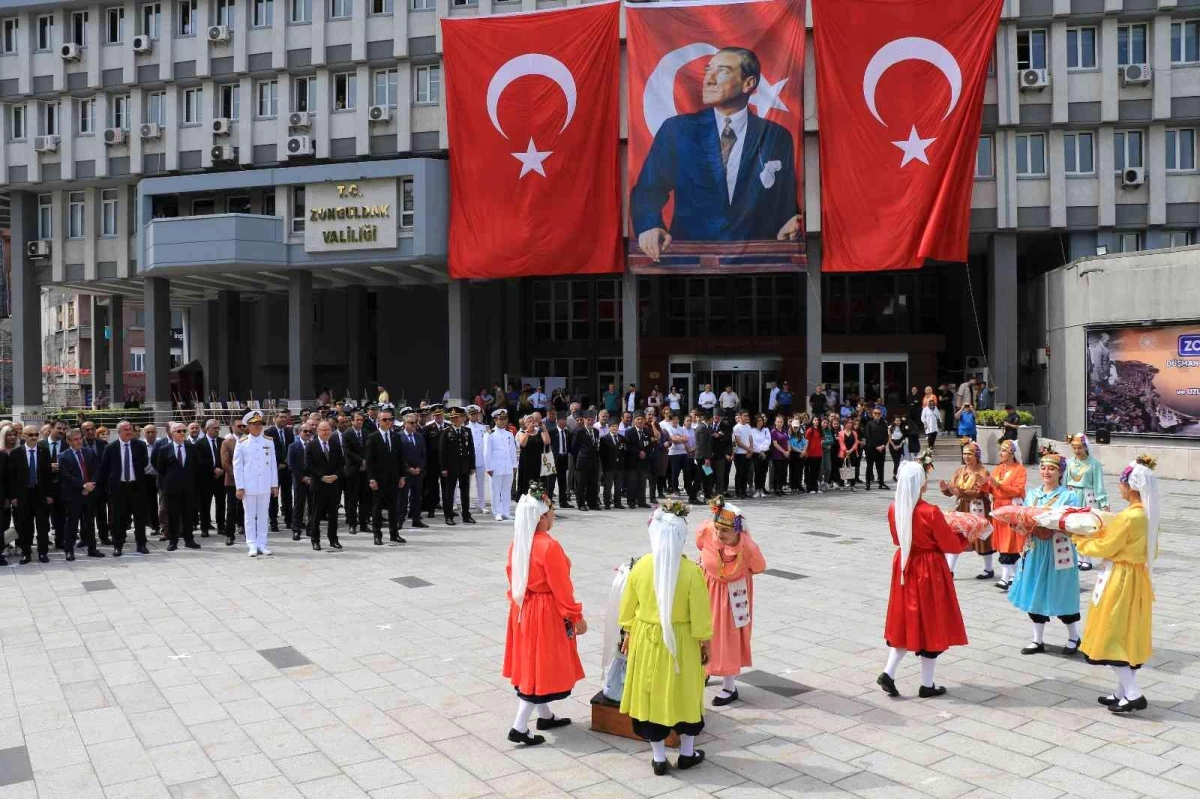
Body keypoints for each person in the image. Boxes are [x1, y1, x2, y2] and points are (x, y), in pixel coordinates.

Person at [631, 47, 800, 263]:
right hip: (690, 268)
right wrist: (649, 226)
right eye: (708, 70)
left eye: (722, 71)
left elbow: (784, 201)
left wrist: (789, 224)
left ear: (748, 83)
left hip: (757, 267)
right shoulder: (678, 130)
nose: (708, 80)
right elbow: (648, 191)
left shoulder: (776, 136)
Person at [619, 500, 713, 776]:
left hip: (647, 640)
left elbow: (627, 608)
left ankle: (659, 758)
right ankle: (686, 753)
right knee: (685, 693)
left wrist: (627, 631)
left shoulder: (642, 566)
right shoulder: (691, 572)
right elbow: (701, 616)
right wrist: (705, 643)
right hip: (681, 641)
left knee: (651, 693)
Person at [877, 461, 969, 699]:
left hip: (905, 564)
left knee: (905, 619)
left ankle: (889, 671)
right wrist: (965, 535)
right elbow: (948, 543)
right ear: (921, 485)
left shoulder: (893, 508)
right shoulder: (930, 511)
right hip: (929, 568)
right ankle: (926, 684)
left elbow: (897, 539)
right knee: (932, 620)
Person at [1075, 455, 1159, 714]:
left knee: (1111, 631)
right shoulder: (1146, 514)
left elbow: (1106, 546)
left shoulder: (1129, 518)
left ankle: (1133, 693)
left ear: (1130, 486)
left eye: (1121, 483)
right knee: (1127, 629)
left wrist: (1079, 539)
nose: (1119, 487)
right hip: (1137, 577)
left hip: (1120, 577)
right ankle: (1122, 692)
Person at [503, 484, 585, 746]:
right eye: (550, 512)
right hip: (544, 611)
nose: (553, 516)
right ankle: (519, 726)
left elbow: (511, 574)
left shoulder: (519, 542)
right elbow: (562, 588)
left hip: (523, 607)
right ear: (541, 517)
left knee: (532, 661)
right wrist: (575, 615)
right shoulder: (549, 547)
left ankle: (545, 715)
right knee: (540, 665)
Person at [1008, 448, 1084, 656]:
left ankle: (1073, 636)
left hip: (1058, 551)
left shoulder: (1068, 497)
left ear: (1060, 472)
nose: (1046, 472)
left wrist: (1051, 529)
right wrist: (1017, 524)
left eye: (1051, 468)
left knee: (1061, 592)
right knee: (1034, 591)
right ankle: (1037, 639)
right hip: (1034, 550)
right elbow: (1023, 518)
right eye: (1043, 468)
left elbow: (1072, 523)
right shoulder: (1033, 494)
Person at [696, 499, 765, 706]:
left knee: (727, 637)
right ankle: (704, 670)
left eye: (725, 530)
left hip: (733, 596)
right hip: (707, 588)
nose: (719, 534)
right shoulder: (706, 531)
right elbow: (700, 545)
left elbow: (759, 566)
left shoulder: (748, 546)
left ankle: (729, 686)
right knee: (703, 631)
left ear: (737, 530)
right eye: (717, 528)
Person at [939, 439, 993, 578]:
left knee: (981, 537)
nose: (966, 457)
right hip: (962, 506)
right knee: (956, 535)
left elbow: (979, 492)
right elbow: (953, 487)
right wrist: (947, 490)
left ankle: (988, 569)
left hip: (977, 506)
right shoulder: (959, 471)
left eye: (970, 454)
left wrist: (960, 492)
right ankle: (949, 569)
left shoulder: (982, 472)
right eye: (964, 454)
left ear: (977, 456)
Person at [97, 421, 150, 557]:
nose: (129, 431)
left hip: (136, 486)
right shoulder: (111, 448)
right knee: (118, 518)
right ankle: (118, 545)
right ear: (119, 432)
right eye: (126, 429)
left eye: (130, 429)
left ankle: (141, 544)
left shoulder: (140, 445)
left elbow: (144, 463)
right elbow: (105, 468)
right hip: (118, 488)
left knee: (139, 517)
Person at [234, 410, 280, 557]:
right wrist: (239, 487)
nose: (258, 427)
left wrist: (274, 485)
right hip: (249, 486)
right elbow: (238, 467)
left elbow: (273, 464)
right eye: (254, 424)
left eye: (260, 424)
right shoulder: (242, 443)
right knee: (249, 517)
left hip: (265, 485)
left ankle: (262, 543)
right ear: (248, 426)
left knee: (262, 516)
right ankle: (252, 544)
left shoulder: (268, 441)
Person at [154, 423, 202, 553]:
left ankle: (189, 540)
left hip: (188, 489)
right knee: (173, 516)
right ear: (172, 433)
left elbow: (197, 467)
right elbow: (160, 469)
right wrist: (167, 484)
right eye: (179, 431)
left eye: (184, 431)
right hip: (171, 489)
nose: (182, 433)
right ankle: (173, 541)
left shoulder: (192, 448)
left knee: (188, 515)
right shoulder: (165, 449)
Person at [987, 439, 1028, 590]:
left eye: (1004, 451)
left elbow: (1018, 490)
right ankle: (1013, 576)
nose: (1000, 453)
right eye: (1001, 450)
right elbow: (991, 488)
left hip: (1011, 507)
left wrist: (999, 485)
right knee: (1003, 540)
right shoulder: (998, 469)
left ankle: (1006, 577)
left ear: (1012, 454)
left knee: (1010, 541)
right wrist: (983, 483)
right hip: (998, 507)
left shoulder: (1020, 470)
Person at [59, 429, 104, 561]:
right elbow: (66, 476)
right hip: (73, 495)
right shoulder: (63, 456)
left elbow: (97, 469)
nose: (80, 441)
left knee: (89, 523)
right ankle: (69, 550)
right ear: (68, 441)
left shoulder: (89, 452)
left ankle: (92, 548)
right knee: (71, 524)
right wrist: (83, 486)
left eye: (80, 438)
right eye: (76, 439)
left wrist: (90, 485)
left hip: (89, 494)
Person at [1066, 433, 1108, 572]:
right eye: (1075, 448)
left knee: (1086, 527)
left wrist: (1103, 501)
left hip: (1086, 496)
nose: (1077, 451)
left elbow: (1098, 484)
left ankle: (1087, 558)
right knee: (1074, 527)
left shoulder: (1094, 464)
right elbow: (1065, 481)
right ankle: (1078, 556)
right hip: (1072, 495)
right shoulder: (1070, 462)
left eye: (1080, 447)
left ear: (1086, 447)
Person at [366, 406, 405, 545]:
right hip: (378, 479)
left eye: (390, 419)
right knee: (377, 507)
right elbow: (369, 461)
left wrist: (402, 476)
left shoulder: (396, 436)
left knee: (393, 507)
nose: (388, 422)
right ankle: (377, 534)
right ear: (379, 421)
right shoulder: (373, 437)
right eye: (385, 419)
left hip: (393, 478)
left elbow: (400, 458)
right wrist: (371, 479)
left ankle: (394, 534)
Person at [305, 420, 344, 551]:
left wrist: (336, 475)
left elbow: (341, 464)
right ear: (318, 431)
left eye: (328, 430)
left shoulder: (336, 444)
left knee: (333, 514)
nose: (326, 432)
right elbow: (309, 466)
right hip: (318, 486)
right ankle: (315, 540)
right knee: (316, 514)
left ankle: (333, 539)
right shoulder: (311, 445)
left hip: (333, 485)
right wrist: (321, 477)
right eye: (323, 430)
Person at [439, 408, 477, 526]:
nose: (454, 420)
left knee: (465, 491)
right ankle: (448, 516)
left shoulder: (467, 431)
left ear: (462, 418)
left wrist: (472, 465)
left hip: (464, 466)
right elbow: (442, 451)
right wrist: (443, 468)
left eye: (456, 417)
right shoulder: (446, 432)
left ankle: (466, 514)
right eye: (452, 418)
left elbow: (471, 449)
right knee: (449, 492)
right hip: (451, 467)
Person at [265, 410, 295, 533]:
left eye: (285, 417)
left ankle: (289, 520)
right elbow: (269, 451)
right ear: (275, 418)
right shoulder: (268, 432)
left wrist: (287, 462)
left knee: (287, 496)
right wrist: (278, 463)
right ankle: (273, 522)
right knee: (273, 496)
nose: (284, 419)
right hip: (275, 469)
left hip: (287, 469)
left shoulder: (289, 431)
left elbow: (291, 448)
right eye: (281, 417)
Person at [397, 413, 428, 531]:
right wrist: (408, 469)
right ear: (405, 424)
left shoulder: (419, 436)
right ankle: (400, 520)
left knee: (416, 497)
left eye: (415, 422)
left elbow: (423, 455)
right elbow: (398, 457)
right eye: (411, 423)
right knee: (403, 497)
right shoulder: (399, 437)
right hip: (405, 473)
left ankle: (416, 519)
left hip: (418, 472)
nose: (414, 425)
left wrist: (419, 467)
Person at [485, 410, 518, 521]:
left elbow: (512, 451)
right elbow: (487, 452)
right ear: (495, 419)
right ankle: (497, 512)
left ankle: (506, 512)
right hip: (496, 466)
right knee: (495, 490)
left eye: (505, 419)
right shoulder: (490, 434)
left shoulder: (509, 434)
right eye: (501, 419)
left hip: (507, 466)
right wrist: (488, 467)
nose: (503, 421)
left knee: (506, 490)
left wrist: (514, 465)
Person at [287, 425, 313, 541]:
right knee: (299, 506)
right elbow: (291, 465)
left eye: (310, 431)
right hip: (299, 481)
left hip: (313, 481)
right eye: (305, 431)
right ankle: (296, 530)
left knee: (313, 506)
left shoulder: (314, 445)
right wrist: (302, 478)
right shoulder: (293, 447)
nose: (308, 433)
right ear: (299, 432)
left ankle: (311, 528)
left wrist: (312, 477)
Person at [220, 418, 244, 546]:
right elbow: (225, 464)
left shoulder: (248, 441)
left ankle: (246, 530)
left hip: (248, 481)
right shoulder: (227, 442)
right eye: (239, 426)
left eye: (243, 426)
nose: (241, 428)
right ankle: (230, 534)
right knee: (231, 509)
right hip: (233, 481)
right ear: (233, 427)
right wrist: (239, 476)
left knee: (246, 508)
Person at [516, 413, 550, 498]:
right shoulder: (522, 432)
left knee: (539, 483)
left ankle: (538, 499)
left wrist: (544, 429)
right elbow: (523, 444)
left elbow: (547, 442)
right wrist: (528, 431)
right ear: (525, 424)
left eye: (532, 421)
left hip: (538, 461)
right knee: (526, 483)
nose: (531, 423)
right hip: (526, 462)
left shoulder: (539, 432)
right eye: (529, 421)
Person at [467, 406, 490, 517]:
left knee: (480, 483)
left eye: (475, 414)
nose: (474, 416)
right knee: (467, 483)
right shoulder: (465, 428)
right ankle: (465, 504)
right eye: (471, 414)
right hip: (469, 459)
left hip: (481, 458)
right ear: (468, 415)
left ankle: (482, 505)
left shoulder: (483, 427)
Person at [600, 419, 626, 509]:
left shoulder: (622, 438)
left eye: (616, 426)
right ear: (609, 427)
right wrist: (603, 467)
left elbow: (624, 452)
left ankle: (618, 503)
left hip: (619, 467)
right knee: (608, 486)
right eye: (613, 426)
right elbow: (602, 454)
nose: (615, 428)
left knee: (618, 486)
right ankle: (607, 503)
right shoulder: (604, 438)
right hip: (609, 467)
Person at [863, 408, 889, 490]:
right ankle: (868, 483)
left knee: (880, 466)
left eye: (879, 413)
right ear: (872, 414)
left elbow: (886, 436)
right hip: (871, 449)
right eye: (875, 413)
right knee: (869, 466)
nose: (877, 415)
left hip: (881, 449)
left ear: (881, 414)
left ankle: (881, 483)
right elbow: (868, 437)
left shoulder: (884, 423)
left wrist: (883, 445)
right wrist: (876, 446)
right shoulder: (869, 424)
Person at [749, 414, 771, 497]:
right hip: (756, 454)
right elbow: (753, 442)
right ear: (755, 422)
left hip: (765, 453)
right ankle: (757, 489)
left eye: (761, 421)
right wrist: (759, 451)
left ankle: (762, 489)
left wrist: (762, 450)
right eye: (758, 421)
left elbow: (768, 441)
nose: (760, 422)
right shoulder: (752, 430)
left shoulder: (766, 429)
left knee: (764, 472)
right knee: (757, 472)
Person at [769, 416, 790, 497]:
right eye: (778, 422)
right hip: (777, 455)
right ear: (775, 422)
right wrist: (784, 451)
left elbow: (788, 441)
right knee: (777, 472)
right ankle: (776, 489)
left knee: (783, 473)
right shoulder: (773, 431)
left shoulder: (784, 431)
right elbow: (775, 444)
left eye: (781, 422)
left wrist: (788, 451)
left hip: (785, 456)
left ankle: (780, 488)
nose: (779, 423)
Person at [803, 418, 822, 494]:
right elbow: (806, 442)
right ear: (812, 421)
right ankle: (810, 488)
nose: (816, 421)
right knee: (811, 472)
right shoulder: (809, 430)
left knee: (817, 472)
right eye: (815, 420)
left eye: (817, 420)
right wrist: (805, 452)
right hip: (811, 454)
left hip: (819, 453)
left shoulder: (820, 430)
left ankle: (816, 488)